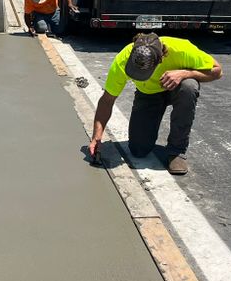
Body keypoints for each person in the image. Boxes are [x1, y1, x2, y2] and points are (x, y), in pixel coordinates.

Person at [88, 33, 222, 175]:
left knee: (189, 87)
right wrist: (97, 135)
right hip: (148, 94)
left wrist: (184, 73)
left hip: (176, 88)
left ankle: (176, 151)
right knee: (138, 150)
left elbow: (217, 71)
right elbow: (107, 100)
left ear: (160, 59)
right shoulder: (123, 60)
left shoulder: (181, 49)